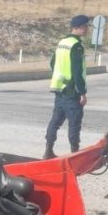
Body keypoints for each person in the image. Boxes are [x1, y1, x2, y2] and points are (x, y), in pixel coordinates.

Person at [43, 14, 89, 159]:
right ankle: (74, 153)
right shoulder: (76, 45)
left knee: (55, 122)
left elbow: (52, 63)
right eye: (85, 26)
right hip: (72, 91)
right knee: (74, 123)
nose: (87, 29)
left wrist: (60, 76)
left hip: (59, 89)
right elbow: (77, 71)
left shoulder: (62, 42)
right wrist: (82, 92)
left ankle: (48, 150)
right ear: (78, 27)